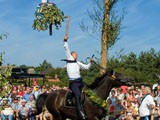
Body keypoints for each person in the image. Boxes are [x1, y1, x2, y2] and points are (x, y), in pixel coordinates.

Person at [63, 35, 94, 119]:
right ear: (71, 55)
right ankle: (80, 112)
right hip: (73, 83)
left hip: (80, 81)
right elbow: (66, 49)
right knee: (77, 95)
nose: (77, 54)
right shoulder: (69, 58)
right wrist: (65, 41)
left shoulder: (78, 63)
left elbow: (87, 67)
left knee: (89, 92)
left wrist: (91, 62)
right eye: (75, 53)